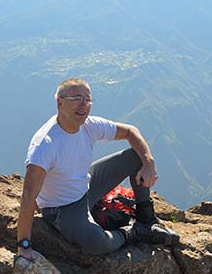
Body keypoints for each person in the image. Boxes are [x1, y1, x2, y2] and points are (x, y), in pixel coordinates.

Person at [16, 77, 180, 259]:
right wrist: (24, 246)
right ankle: (134, 233)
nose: (83, 104)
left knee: (136, 156)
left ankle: (147, 220)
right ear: (59, 102)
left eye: (88, 99)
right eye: (77, 98)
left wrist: (149, 162)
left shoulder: (88, 125)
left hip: (86, 185)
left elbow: (130, 132)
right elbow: (28, 196)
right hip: (63, 207)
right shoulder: (46, 145)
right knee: (96, 243)